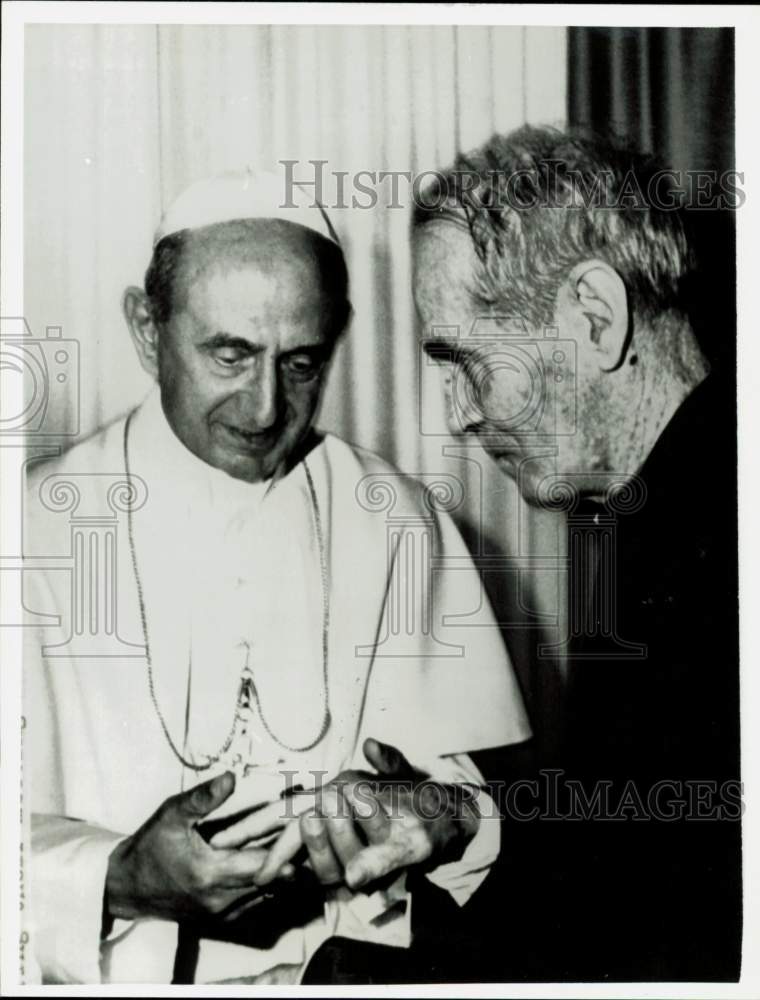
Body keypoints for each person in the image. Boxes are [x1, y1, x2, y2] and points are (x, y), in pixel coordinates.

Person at [22, 170, 531, 984]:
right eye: (230, 354)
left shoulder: (397, 517)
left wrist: (439, 815)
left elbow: (484, 800)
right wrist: (116, 878)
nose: (265, 409)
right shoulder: (31, 528)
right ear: (146, 328)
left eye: (300, 363)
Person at [411, 126, 741, 981]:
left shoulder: (718, 550)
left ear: (595, 319)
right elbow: (614, 871)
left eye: (467, 362)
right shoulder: (655, 517)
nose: (459, 415)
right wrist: (452, 826)